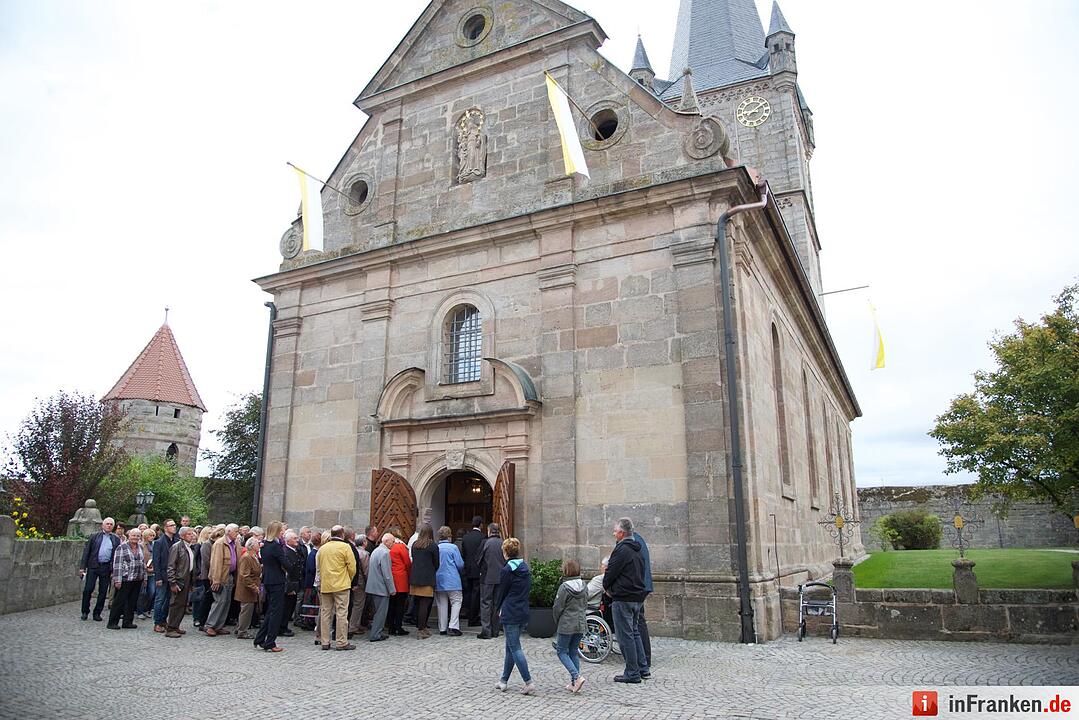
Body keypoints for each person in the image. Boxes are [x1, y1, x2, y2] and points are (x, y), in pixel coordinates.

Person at [602, 517, 649, 683]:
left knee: (625, 636)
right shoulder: (638, 548)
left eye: (615, 531)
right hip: (637, 595)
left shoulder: (621, 549)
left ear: (622, 533)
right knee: (634, 632)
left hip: (623, 596)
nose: (614, 534)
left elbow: (610, 572)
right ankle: (643, 668)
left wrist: (606, 588)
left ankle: (632, 672)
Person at [495, 537, 534, 695]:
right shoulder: (525, 567)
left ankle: (528, 681)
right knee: (510, 647)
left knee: (515, 648)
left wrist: (497, 608)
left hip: (510, 611)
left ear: (505, 552)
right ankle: (503, 680)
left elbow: (502, 592)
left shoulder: (507, 570)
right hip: (522, 609)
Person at [317, 525, 357, 651]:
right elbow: (352, 567)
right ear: (342, 534)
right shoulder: (345, 547)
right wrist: (348, 578)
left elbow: (319, 567)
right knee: (341, 613)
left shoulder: (323, 549)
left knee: (325, 613)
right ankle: (341, 641)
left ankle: (325, 641)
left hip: (326, 584)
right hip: (341, 584)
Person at [552, 559, 588, 693]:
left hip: (566, 624)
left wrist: (557, 620)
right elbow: (585, 604)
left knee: (561, 651)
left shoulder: (564, 587)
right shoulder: (584, 585)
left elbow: (557, 607)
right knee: (573, 652)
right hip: (580, 623)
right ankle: (574, 683)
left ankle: (576, 677)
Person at [78, 517, 120, 622]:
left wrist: (114, 570)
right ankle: (85, 611)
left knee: (103, 591)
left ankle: (97, 612)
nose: (109, 525)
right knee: (88, 589)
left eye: (111, 524)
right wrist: (82, 567)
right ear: (102, 525)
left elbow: (116, 556)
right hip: (93, 565)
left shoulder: (115, 539)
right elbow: (86, 552)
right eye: (107, 524)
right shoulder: (94, 536)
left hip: (106, 567)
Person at [254, 521, 287, 652]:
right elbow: (284, 562)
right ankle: (270, 642)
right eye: (281, 531)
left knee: (271, 611)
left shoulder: (265, 545)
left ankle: (260, 638)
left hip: (268, 579)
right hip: (276, 580)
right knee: (276, 612)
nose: (282, 533)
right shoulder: (275, 546)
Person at [107, 528, 147, 630]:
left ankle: (128, 622)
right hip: (125, 578)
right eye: (134, 535)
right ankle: (112, 622)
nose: (135, 538)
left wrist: (145, 578)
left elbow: (143, 564)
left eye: (138, 536)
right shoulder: (122, 547)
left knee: (132, 601)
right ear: (129, 536)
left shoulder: (140, 547)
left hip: (137, 578)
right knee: (119, 601)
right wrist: (117, 580)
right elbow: (118, 564)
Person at [205, 523, 239, 637]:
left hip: (229, 575)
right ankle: (210, 625)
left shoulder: (234, 543)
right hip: (221, 576)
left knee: (226, 602)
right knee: (219, 601)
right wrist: (216, 579)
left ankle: (219, 625)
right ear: (229, 532)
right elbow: (216, 562)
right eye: (236, 531)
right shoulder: (220, 543)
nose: (237, 533)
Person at [164, 526, 198, 638]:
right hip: (179, 580)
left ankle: (175, 626)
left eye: (192, 534)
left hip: (187, 579)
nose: (192, 535)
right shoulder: (177, 547)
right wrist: (173, 582)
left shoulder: (189, 547)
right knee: (176, 604)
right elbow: (171, 566)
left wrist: (192, 583)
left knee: (183, 605)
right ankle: (170, 628)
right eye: (189, 534)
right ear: (182, 536)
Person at [408, 524, 439, 639]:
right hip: (427, 578)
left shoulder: (415, 545)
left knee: (417, 603)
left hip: (415, 577)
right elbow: (437, 563)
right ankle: (421, 629)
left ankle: (421, 626)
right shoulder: (433, 546)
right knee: (425, 605)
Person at [365, 532, 396, 642]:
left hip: (372, 586)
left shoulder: (376, 551)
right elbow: (387, 574)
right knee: (380, 613)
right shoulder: (385, 553)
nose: (393, 544)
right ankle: (376, 634)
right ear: (386, 541)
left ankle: (376, 632)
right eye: (392, 542)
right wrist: (392, 589)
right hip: (381, 588)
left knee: (377, 611)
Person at [434, 525, 465, 636]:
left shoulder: (436, 547)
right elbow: (460, 564)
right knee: (456, 601)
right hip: (452, 579)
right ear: (449, 536)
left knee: (442, 604)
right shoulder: (453, 548)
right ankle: (453, 626)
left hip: (439, 579)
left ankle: (442, 628)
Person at [476, 522, 503, 639]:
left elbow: (478, 559)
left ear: (489, 531)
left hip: (487, 577)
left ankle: (486, 630)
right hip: (501, 577)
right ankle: (495, 630)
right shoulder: (503, 543)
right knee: (497, 604)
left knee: (486, 603)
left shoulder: (485, 543)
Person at [151, 519, 179, 632]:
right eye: (171, 525)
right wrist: (157, 577)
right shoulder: (159, 542)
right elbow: (156, 561)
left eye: (174, 525)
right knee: (160, 599)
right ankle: (157, 622)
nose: (174, 527)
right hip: (162, 575)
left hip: (173, 575)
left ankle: (164, 620)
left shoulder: (176, 541)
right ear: (165, 528)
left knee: (168, 600)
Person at [631, 528, 653, 668]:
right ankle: (644, 657)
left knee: (637, 624)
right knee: (639, 623)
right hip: (642, 586)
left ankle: (643, 658)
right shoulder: (637, 539)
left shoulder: (632, 541)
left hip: (637, 587)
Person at [234, 537, 261, 639]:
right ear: (252, 546)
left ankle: (241, 628)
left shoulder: (253, 556)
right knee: (246, 609)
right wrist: (253, 586)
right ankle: (242, 631)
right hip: (246, 589)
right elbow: (244, 575)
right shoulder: (246, 557)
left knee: (247, 609)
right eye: (257, 543)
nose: (259, 545)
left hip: (251, 588)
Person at [386, 526, 411, 636]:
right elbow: (407, 563)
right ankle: (398, 627)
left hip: (391, 578)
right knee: (400, 605)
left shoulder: (389, 547)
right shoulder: (401, 547)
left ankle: (390, 627)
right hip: (401, 579)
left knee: (391, 604)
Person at [461, 515, 485, 626]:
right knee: (476, 594)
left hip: (468, 569)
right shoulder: (483, 537)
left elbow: (464, 554)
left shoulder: (466, 537)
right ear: (481, 524)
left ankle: (468, 614)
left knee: (468, 593)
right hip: (478, 569)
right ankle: (473, 618)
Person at [346, 528, 370, 638]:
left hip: (352, 581)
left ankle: (353, 624)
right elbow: (366, 571)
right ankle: (353, 627)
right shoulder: (364, 554)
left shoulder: (353, 550)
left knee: (353, 604)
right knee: (358, 604)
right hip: (360, 582)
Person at [280, 529, 304, 637]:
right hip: (289, 584)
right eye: (294, 538)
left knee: (290, 606)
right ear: (288, 541)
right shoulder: (286, 552)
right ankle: (281, 627)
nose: (297, 540)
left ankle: (284, 626)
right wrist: (289, 588)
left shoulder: (294, 550)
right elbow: (286, 571)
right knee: (286, 607)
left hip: (295, 582)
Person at [136, 528, 157, 619]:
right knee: (142, 593)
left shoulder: (155, 545)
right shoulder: (141, 545)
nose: (152, 537)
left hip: (152, 572)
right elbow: (139, 558)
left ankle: (147, 609)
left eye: (153, 535)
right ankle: (140, 611)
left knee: (152, 592)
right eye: (150, 535)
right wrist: (146, 567)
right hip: (143, 571)